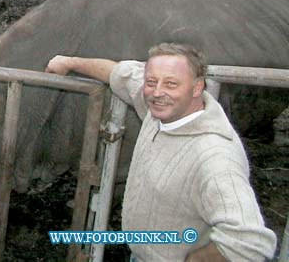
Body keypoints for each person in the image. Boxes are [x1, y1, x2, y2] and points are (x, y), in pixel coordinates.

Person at [45, 43, 277, 262]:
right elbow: (121, 73)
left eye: (171, 84)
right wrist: (70, 62)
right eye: (151, 81)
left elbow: (249, 241)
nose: (157, 92)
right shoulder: (163, 112)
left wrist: (194, 260)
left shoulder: (214, 156)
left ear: (197, 87)